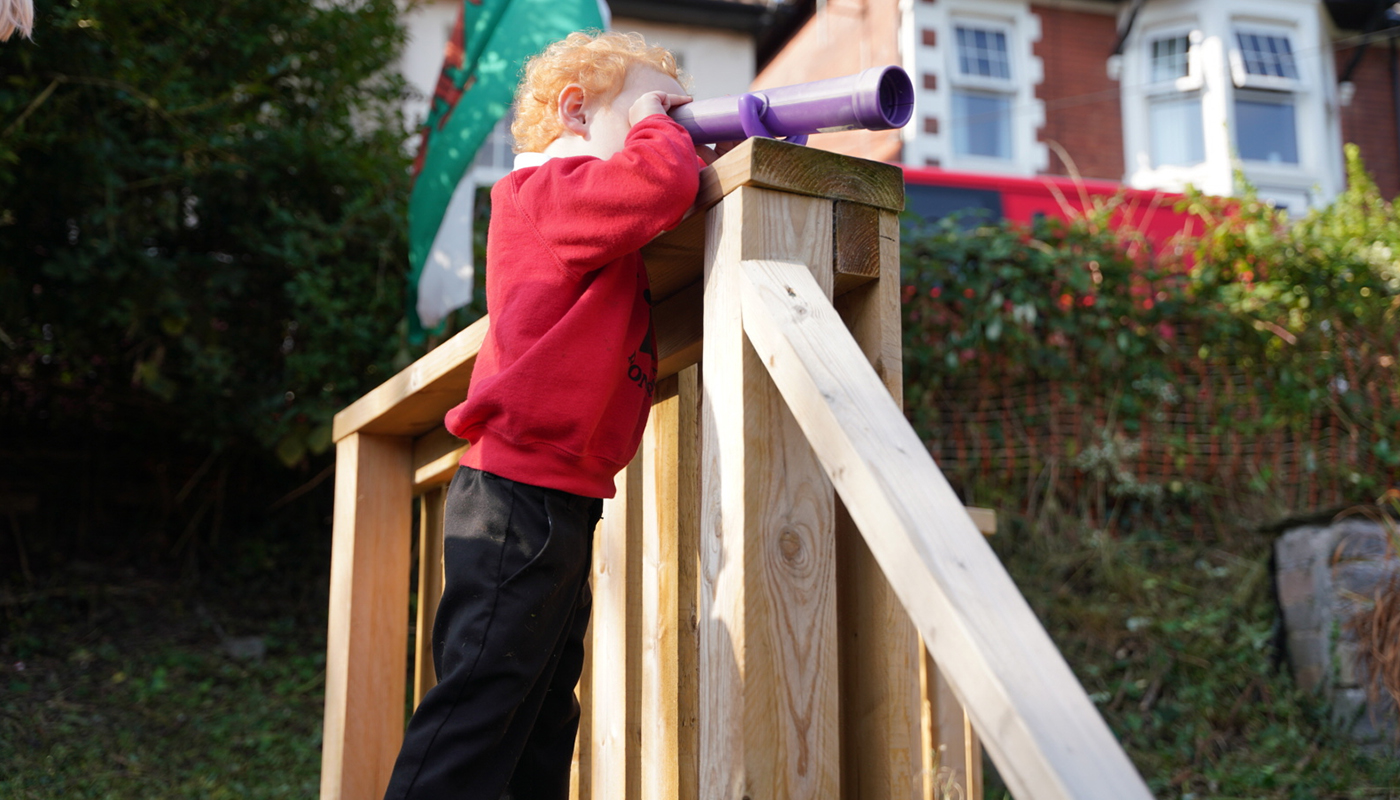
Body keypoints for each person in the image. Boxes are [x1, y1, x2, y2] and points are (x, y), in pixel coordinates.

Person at [383, 31, 703, 800]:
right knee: (482, 700)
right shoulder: (545, 195)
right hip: (516, 499)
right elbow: (659, 186)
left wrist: (657, 126)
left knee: (539, 713)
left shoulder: (583, 216)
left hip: (559, 499)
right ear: (575, 111)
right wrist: (663, 130)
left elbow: (657, 195)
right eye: (651, 113)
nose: (670, 132)